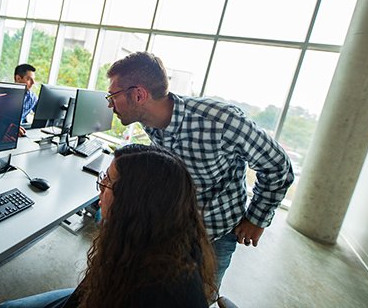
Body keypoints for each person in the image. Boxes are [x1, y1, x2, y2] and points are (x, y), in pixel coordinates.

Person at [106, 51, 294, 289]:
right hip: (172, 229)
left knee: (199, 297)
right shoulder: (150, 122)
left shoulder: (220, 120)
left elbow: (279, 167)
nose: (110, 103)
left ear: (139, 95)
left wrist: (257, 218)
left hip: (214, 234)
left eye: (112, 95)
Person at [0, 144, 217, 308]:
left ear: (134, 201)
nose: (101, 188)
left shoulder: (153, 293)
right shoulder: (160, 241)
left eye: (108, 182)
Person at [14, 64, 37, 136]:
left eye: (33, 79)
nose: (33, 82)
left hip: (21, 131)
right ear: (18, 78)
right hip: (7, 131)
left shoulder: (32, 97)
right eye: (29, 79)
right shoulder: (5, 95)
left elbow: (42, 114)